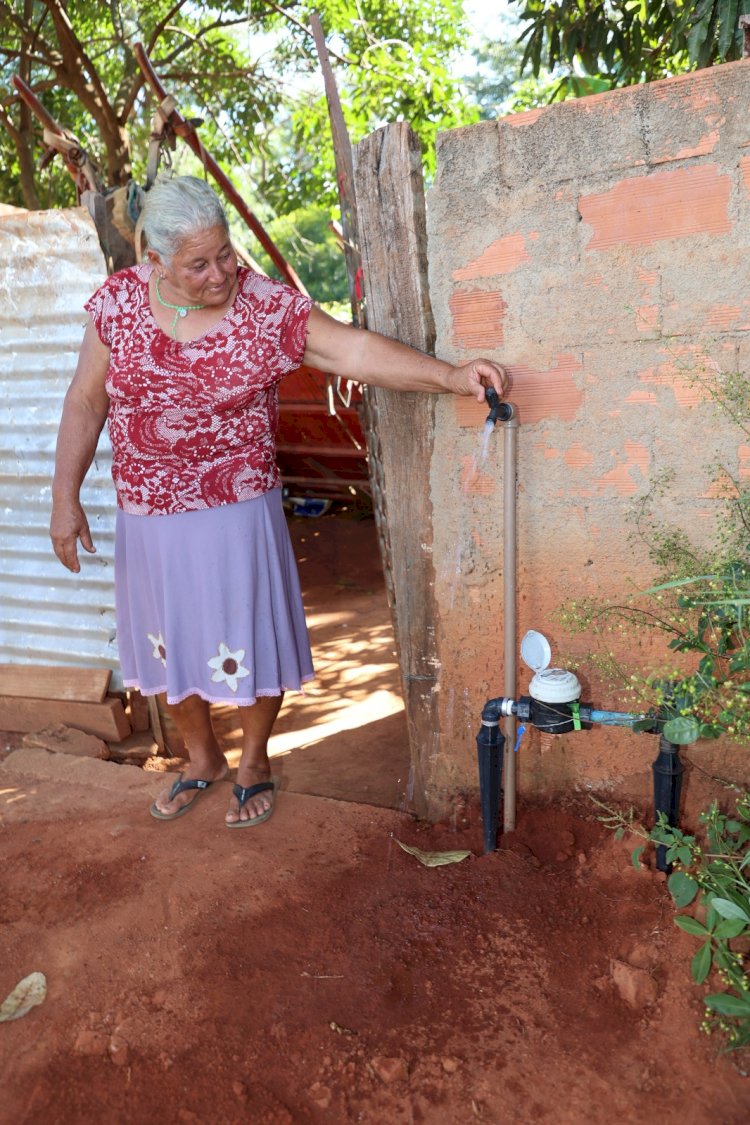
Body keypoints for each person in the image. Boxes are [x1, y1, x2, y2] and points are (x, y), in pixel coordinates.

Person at [50, 175, 507, 828]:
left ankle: (254, 761)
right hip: (148, 520)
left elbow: (352, 350)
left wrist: (451, 377)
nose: (221, 272)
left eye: (225, 253)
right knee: (165, 647)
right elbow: (86, 399)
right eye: (199, 263)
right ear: (155, 261)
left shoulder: (263, 308)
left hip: (236, 513)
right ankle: (202, 758)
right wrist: (63, 496)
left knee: (248, 641)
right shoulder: (117, 303)